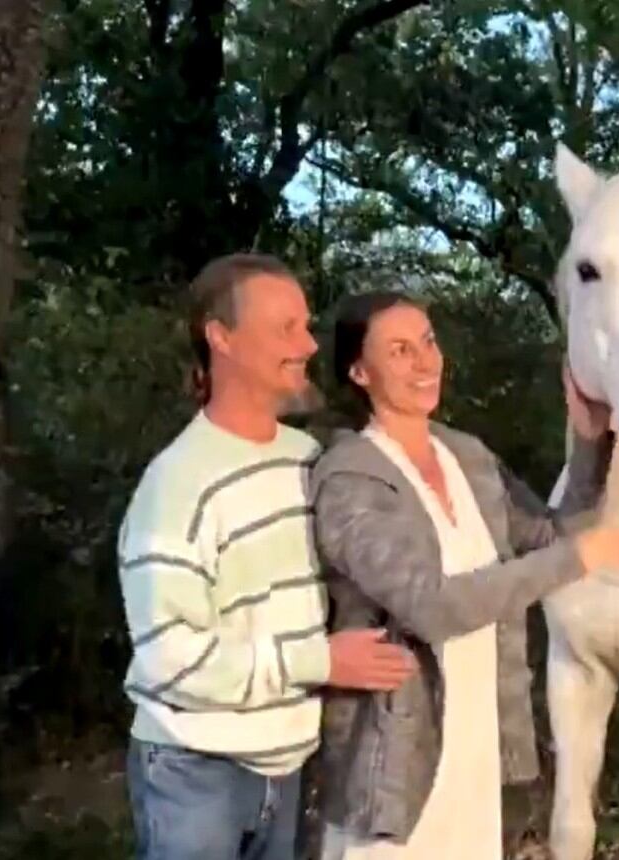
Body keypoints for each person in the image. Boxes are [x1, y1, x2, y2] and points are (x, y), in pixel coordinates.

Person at [308, 291, 619, 859]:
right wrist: (580, 560)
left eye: (429, 341)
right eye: (400, 350)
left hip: (476, 743)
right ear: (360, 372)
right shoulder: (349, 479)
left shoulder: (467, 455)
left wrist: (590, 443)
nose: (424, 361)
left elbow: (555, 533)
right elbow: (431, 606)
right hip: (394, 764)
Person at [117, 254, 418, 860]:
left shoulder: (308, 459)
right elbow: (170, 661)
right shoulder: (176, 487)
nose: (308, 343)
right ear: (220, 337)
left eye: (307, 325)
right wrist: (319, 661)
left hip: (288, 767)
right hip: (195, 771)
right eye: (286, 328)